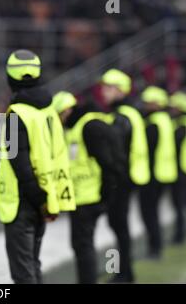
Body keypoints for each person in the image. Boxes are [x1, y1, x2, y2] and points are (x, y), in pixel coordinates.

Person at [0, 50, 75, 284]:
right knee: (33, 264)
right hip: (45, 197)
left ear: (10, 79)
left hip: (21, 201)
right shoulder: (50, 112)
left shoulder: (15, 115)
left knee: (23, 272)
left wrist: (37, 195)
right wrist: (46, 198)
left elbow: (18, 161)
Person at [54, 91, 121, 284]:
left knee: (83, 245)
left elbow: (107, 163)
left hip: (89, 197)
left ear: (67, 111)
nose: (60, 121)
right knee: (81, 244)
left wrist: (104, 195)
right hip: (83, 196)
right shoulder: (83, 125)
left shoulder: (89, 126)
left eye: (60, 115)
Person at [100, 68, 150, 283]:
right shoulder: (129, 113)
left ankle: (122, 272)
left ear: (121, 90)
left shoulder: (121, 117)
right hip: (128, 178)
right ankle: (124, 271)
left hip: (120, 180)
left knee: (118, 226)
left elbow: (116, 154)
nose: (104, 91)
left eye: (109, 87)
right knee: (120, 226)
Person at [139, 86, 178, 259]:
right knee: (154, 212)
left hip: (153, 174)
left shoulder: (153, 123)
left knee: (149, 213)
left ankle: (155, 248)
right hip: (165, 172)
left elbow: (149, 151)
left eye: (149, 102)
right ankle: (156, 245)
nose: (146, 105)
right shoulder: (166, 120)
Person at [169, 91, 186, 244]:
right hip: (184, 167)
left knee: (179, 203)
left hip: (183, 168)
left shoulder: (181, 125)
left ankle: (180, 234)